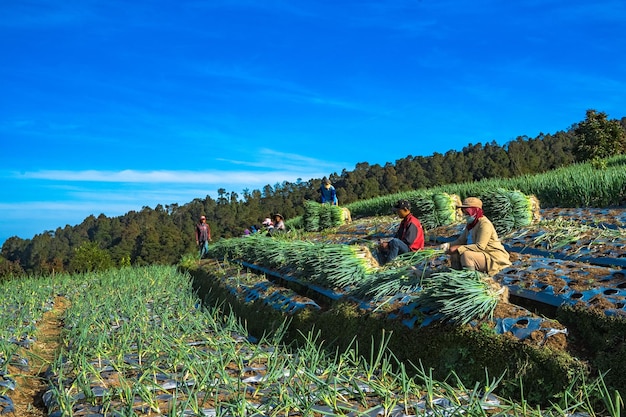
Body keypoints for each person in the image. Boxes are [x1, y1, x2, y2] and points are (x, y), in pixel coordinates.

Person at [440, 197, 511, 275]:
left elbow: (480, 247)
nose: (465, 215)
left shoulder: (484, 224)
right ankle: (457, 275)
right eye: (464, 212)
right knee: (455, 254)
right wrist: (448, 245)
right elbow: (461, 240)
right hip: (480, 255)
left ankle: (470, 278)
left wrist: (458, 248)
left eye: (467, 212)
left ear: (475, 211)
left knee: (467, 255)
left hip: (492, 257)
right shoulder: (471, 224)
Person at [379, 199, 424, 264]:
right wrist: (387, 243)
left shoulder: (412, 222)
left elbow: (408, 242)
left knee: (395, 242)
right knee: (385, 246)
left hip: (413, 251)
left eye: (398, 211)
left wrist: (389, 244)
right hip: (406, 247)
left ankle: (389, 265)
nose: (397, 213)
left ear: (405, 209)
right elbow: (398, 236)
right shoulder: (404, 221)